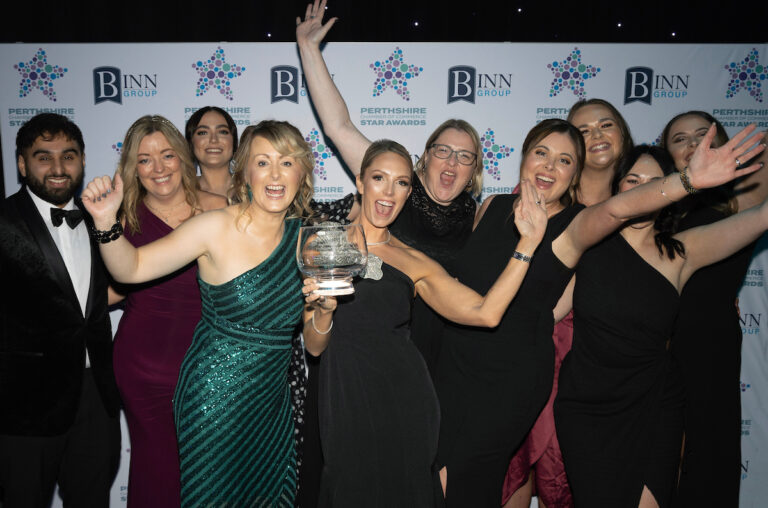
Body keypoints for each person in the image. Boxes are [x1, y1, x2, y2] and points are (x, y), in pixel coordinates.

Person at [433, 120, 764, 507]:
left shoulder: (629, 238)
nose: (549, 166)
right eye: (541, 153)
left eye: (564, 161)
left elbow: (751, 219)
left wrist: (688, 180)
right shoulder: (524, 217)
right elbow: (537, 305)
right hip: (511, 383)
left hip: (588, 392)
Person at [297, 2, 482, 503]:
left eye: (466, 156)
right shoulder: (398, 191)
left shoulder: (479, 220)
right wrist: (310, 51)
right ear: (423, 161)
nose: (452, 161)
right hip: (365, 352)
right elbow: (337, 126)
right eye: (443, 149)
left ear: (474, 170)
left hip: (436, 355)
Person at [301, 139, 548, 507]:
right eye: (379, 178)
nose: (389, 192)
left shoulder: (413, 261)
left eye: (401, 182)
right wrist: (323, 311)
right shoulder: (324, 243)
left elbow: (486, 312)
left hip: (405, 399)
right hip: (345, 395)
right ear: (359, 181)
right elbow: (314, 346)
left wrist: (527, 244)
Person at [82, 120, 314, 507]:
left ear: (303, 171)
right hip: (214, 399)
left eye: (287, 162)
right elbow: (132, 268)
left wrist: (323, 308)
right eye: (262, 162)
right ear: (245, 171)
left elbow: (317, 339)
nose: (275, 174)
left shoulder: (305, 240)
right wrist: (107, 222)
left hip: (272, 403)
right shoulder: (213, 226)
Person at [555, 142, 768, 508]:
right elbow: (543, 316)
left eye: (654, 182)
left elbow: (759, 218)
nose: (642, 189)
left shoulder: (681, 252)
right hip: (587, 408)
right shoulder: (587, 243)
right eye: (632, 180)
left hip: (654, 404)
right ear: (617, 187)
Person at [503, 98, 634, 508]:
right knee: (518, 457)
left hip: (609, 359)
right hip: (540, 344)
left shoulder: (642, 198)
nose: (594, 136)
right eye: (582, 130)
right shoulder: (534, 196)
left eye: (605, 125)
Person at [0, 113, 121, 507]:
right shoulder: (4, 222)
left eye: (68, 156)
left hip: (95, 399)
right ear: (22, 164)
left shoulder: (100, 219)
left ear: (83, 161)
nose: (57, 168)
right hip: (26, 406)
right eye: (43, 156)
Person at [111, 115, 227, 507]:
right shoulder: (123, 219)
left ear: (182, 156)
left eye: (166, 155)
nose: (159, 168)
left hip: (205, 362)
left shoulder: (220, 208)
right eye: (145, 160)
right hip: (142, 362)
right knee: (155, 462)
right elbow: (107, 291)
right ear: (133, 169)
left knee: (207, 465)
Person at [660, 111, 768, 507]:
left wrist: (727, 158)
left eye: (702, 135)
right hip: (657, 339)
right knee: (662, 453)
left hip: (710, 338)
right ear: (667, 154)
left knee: (709, 448)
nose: (691, 144)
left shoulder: (739, 197)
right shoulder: (661, 206)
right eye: (680, 139)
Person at [184, 106, 238, 198]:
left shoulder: (252, 189)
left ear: (234, 141)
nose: (213, 140)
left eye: (222, 132)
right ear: (191, 143)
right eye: (203, 133)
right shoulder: (182, 195)